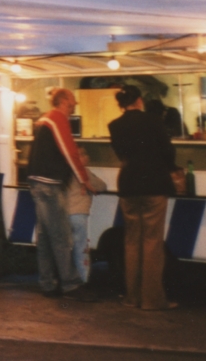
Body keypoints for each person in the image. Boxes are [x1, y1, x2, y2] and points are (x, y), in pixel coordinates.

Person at [108, 84, 177, 310]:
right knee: (151, 242)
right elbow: (168, 151)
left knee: (131, 241)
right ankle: (152, 300)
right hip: (154, 184)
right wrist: (169, 167)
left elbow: (121, 154)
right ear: (139, 100)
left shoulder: (115, 125)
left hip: (128, 184)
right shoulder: (154, 121)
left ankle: (132, 297)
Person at [27, 88, 98, 301]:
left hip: (36, 182)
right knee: (60, 235)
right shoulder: (57, 119)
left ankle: (47, 283)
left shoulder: (43, 120)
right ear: (64, 101)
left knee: (45, 236)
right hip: (49, 183)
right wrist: (84, 179)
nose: (75, 103)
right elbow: (70, 152)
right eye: (73, 100)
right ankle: (71, 284)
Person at [67, 148, 107, 284]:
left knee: (67, 248)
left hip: (64, 214)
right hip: (79, 214)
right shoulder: (83, 172)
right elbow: (102, 186)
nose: (87, 157)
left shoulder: (65, 172)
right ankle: (83, 280)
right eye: (83, 154)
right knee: (81, 248)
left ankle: (67, 279)